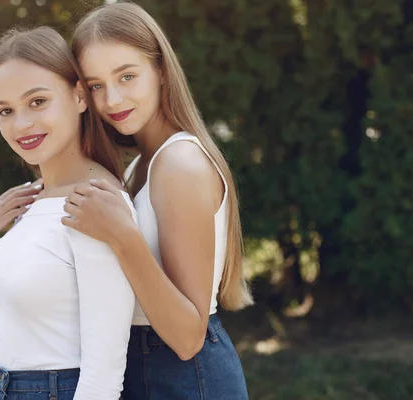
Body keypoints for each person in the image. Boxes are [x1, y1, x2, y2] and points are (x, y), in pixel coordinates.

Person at [61, 3, 253, 399]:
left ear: (161, 71)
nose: (112, 99)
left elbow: (187, 337)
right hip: (144, 367)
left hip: (181, 375)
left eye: (127, 76)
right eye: (96, 85)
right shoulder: (139, 167)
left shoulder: (179, 163)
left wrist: (122, 236)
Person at [0, 26, 136, 400]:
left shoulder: (95, 201)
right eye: (5, 110)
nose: (21, 125)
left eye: (37, 102)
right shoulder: (33, 198)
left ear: (80, 96)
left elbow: (104, 371)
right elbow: (6, 333)